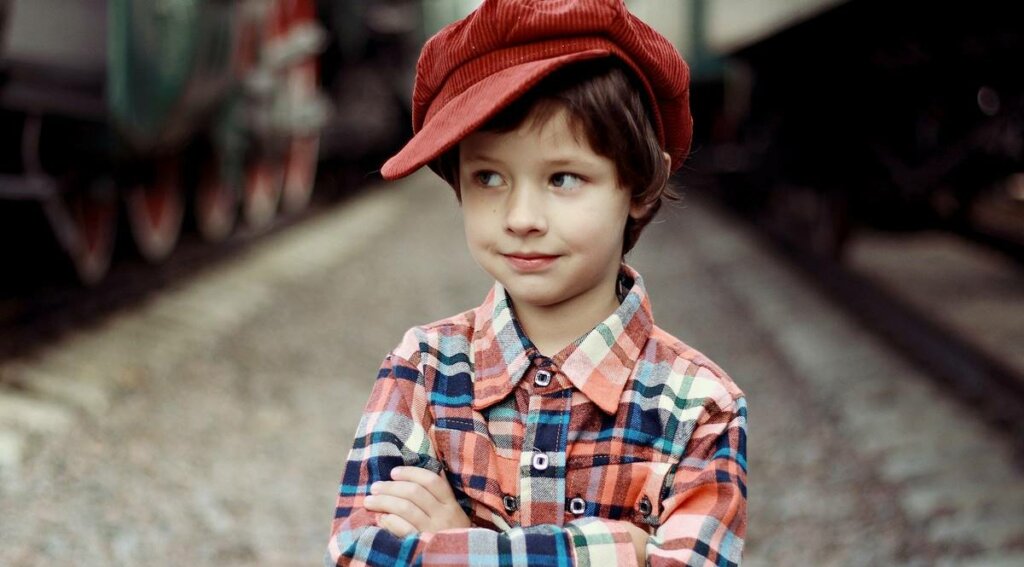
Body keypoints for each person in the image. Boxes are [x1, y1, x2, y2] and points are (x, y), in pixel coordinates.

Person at [326, 1, 747, 565]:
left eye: (564, 177)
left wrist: (457, 539)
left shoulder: (700, 407)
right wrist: (622, 550)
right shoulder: (423, 369)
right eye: (490, 176)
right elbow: (359, 553)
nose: (522, 216)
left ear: (642, 187)